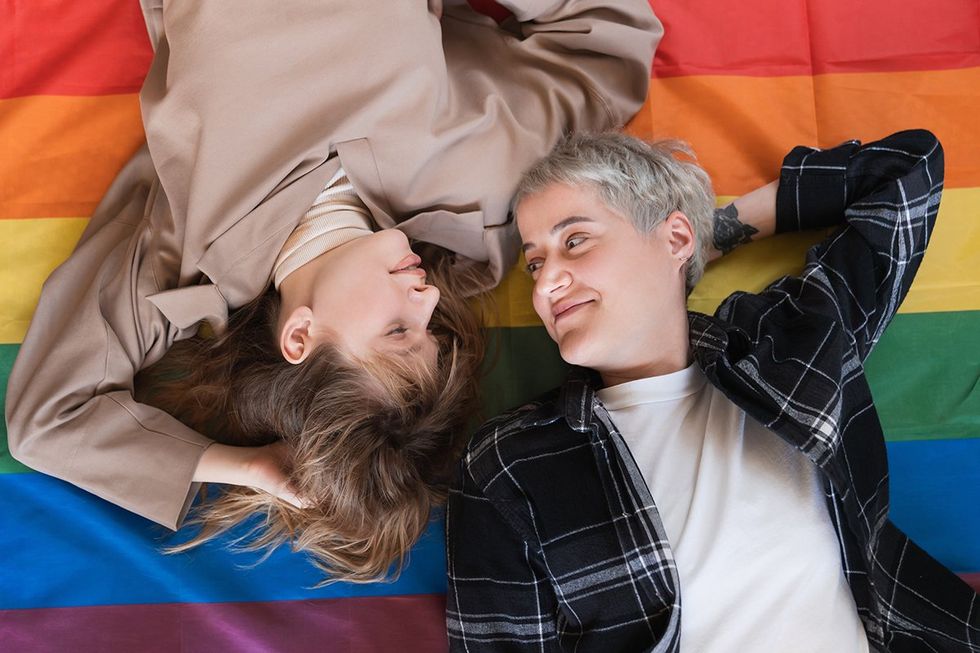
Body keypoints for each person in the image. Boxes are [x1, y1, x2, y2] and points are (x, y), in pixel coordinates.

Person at [4, 0, 661, 582]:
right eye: (430, 329)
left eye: (398, 331)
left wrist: (245, 464)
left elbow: (48, 422)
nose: (427, 299)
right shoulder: (481, 202)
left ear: (300, 335)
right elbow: (610, 37)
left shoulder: (191, 249)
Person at [446, 130, 980, 650]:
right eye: (536, 262)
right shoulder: (507, 464)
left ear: (674, 238)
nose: (544, 284)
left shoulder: (788, 345)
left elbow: (904, 172)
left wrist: (707, 234)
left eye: (576, 241)